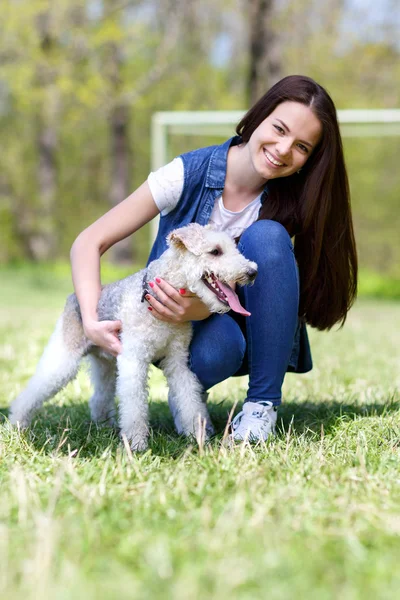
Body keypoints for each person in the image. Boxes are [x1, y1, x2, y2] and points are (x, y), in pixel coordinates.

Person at [70, 75, 358, 443]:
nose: (284, 149)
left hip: (256, 327)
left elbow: (280, 282)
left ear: (308, 160)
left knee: (267, 235)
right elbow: (88, 242)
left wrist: (206, 307)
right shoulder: (185, 173)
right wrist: (92, 320)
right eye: (279, 129)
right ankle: (188, 394)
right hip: (178, 329)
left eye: (301, 146)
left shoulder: (295, 198)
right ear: (258, 117)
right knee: (220, 349)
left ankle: (261, 407)